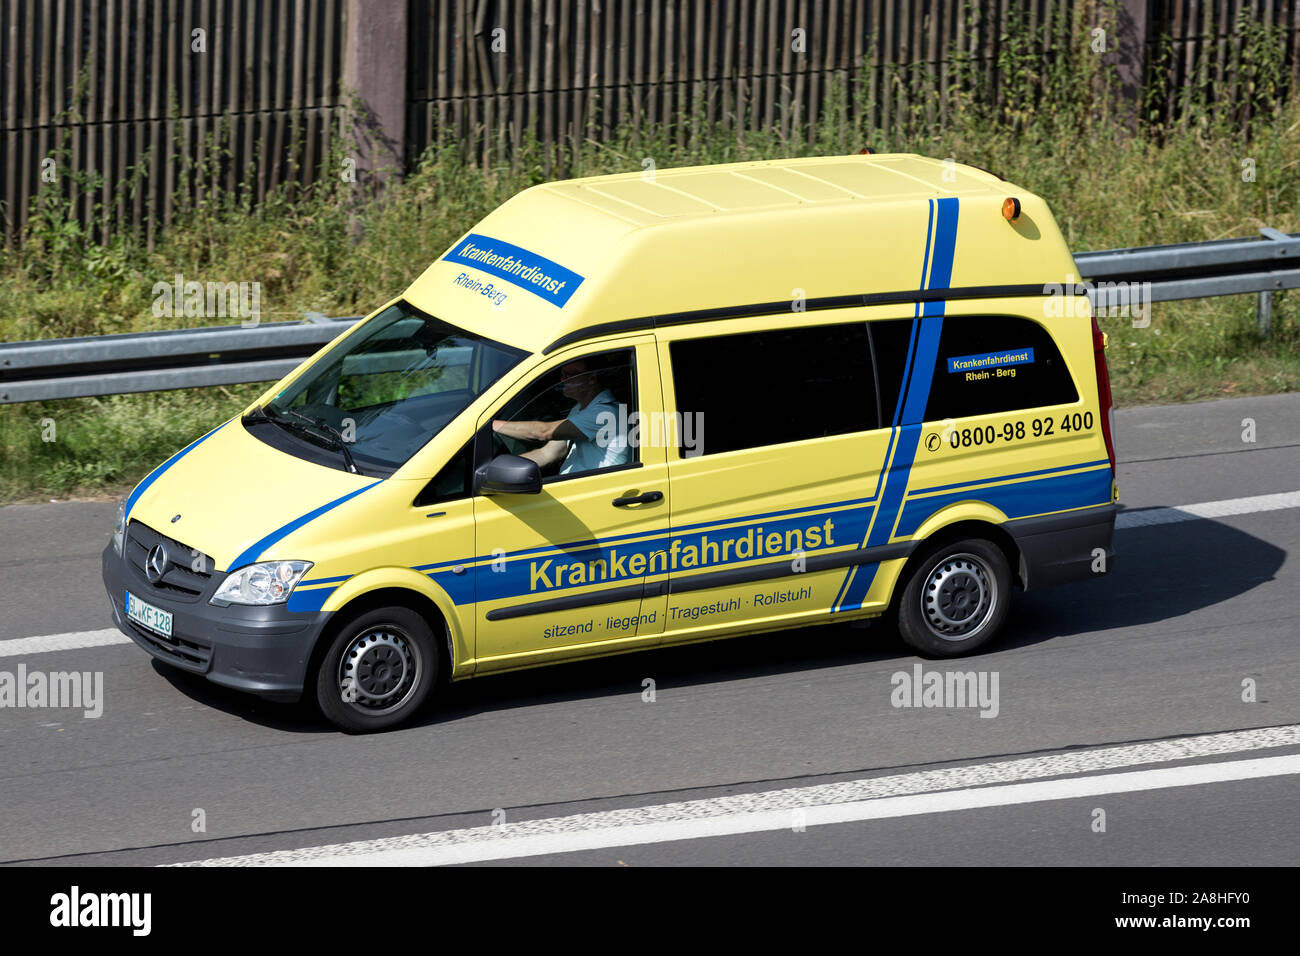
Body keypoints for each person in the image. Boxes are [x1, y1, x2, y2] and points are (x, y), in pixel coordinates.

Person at [492, 358, 631, 475]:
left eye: (570, 375)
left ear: (591, 379)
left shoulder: (605, 413)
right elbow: (548, 454)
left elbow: (544, 432)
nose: (562, 379)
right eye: (562, 373)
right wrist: (497, 469)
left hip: (596, 493)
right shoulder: (579, 408)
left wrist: (491, 425)